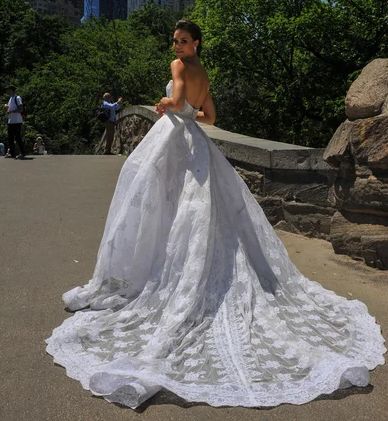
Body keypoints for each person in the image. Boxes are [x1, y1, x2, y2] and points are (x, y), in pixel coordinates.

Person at [46, 21, 385, 409]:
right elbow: (208, 116)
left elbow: (175, 105)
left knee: (158, 197)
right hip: (195, 140)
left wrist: (165, 106)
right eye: (175, 41)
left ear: (196, 43)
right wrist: (186, 110)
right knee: (196, 205)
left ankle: (155, 268)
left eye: (183, 41)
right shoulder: (204, 73)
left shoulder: (178, 69)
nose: (176, 46)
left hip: (172, 135)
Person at [4, 85, 26, 160]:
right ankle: (12, 153)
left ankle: (23, 152)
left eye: (8, 90)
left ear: (12, 90)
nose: (7, 92)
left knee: (18, 137)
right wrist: (7, 109)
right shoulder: (10, 99)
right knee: (10, 138)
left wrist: (11, 111)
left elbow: (21, 109)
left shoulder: (17, 98)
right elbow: (10, 111)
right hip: (11, 121)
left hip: (17, 121)